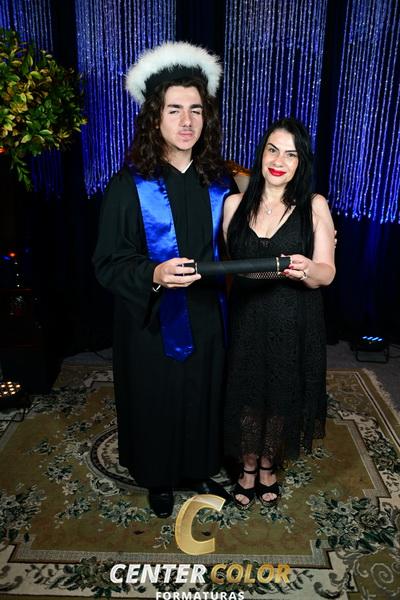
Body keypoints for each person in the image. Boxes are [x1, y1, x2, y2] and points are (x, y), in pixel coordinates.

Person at [93, 42, 236, 518]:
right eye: (175, 109)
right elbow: (108, 262)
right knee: (156, 395)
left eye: (196, 110)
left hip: (208, 315)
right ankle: (157, 476)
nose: (186, 121)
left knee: (202, 390)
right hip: (150, 320)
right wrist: (152, 272)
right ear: (155, 117)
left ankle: (197, 467)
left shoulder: (220, 182)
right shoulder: (128, 185)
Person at [222, 117, 336, 509]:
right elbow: (232, 264)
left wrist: (308, 269)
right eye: (273, 150)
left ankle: (268, 465)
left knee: (280, 391)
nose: (279, 161)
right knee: (248, 390)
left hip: (294, 317)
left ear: (301, 162)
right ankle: (248, 465)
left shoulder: (314, 205)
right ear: (262, 153)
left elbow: (327, 272)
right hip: (247, 317)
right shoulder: (233, 204)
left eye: (291, 154)